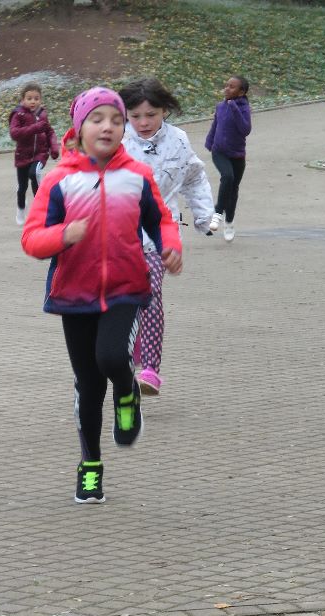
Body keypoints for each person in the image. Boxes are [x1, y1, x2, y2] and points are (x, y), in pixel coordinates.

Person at [21, 87, 182, 504]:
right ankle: (90, 466)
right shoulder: (59, 180)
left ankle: (127, 392)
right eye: (97, 119)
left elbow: (161, 220)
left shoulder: (137, 176)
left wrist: (170, 246)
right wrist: (64, 235)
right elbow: (32, 239)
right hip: (74, 294)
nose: (107, 127)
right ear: (79, 128)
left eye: (116, 119)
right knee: (89, 386)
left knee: (111, 357)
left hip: (126, 287)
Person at [120, 78, 214, 396]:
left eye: (151, 114)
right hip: (117, 235)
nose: (144, 122)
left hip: (159, 233)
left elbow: (194, 177)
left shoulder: (178, 140)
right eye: (136, 116)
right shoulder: (115, 138)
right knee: (122, 301)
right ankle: (128, 350)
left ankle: (150, 370)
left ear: (165, 111)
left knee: (150, 293)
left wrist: (203, 216)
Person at [205, 75, 252, 242]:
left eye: (232, 87)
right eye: (226, 85)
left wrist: (234, 108)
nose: (227, 88)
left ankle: (229, 221)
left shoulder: (244, 108)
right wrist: (210, 142)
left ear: (241, 92)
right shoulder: (220, 106)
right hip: (219, 152)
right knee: (227, 176)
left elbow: (245, 129)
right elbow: (215, 125)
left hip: (237, 155)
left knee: (233, 189)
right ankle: (217, 213)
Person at [8, 81, 59, 226]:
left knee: (34, 173)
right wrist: (35, 128)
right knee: (22, 187)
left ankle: (41, 205)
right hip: (22, 156)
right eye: (29, 98)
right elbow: (14, 133)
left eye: (36, 98)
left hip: (39, 154)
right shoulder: (18, 114)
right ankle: (21, 208)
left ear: (40, 99)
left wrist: (54, 147)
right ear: (23, 99)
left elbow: (49, 131)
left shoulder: (42, 114)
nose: (33, 101)